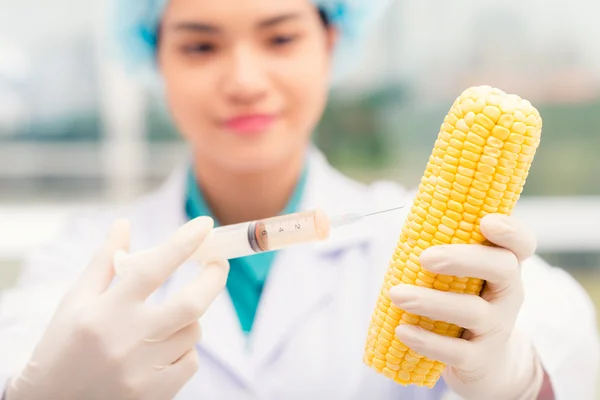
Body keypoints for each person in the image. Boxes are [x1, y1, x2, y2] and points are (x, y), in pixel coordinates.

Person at [1, 0, 598, 398]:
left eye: (281, 38)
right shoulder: (81, 254)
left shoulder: (444, 251)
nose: (244, 81)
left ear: (331, 42)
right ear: (154, 57)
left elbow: (567, 351)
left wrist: (518, 380)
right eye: (200, 47)